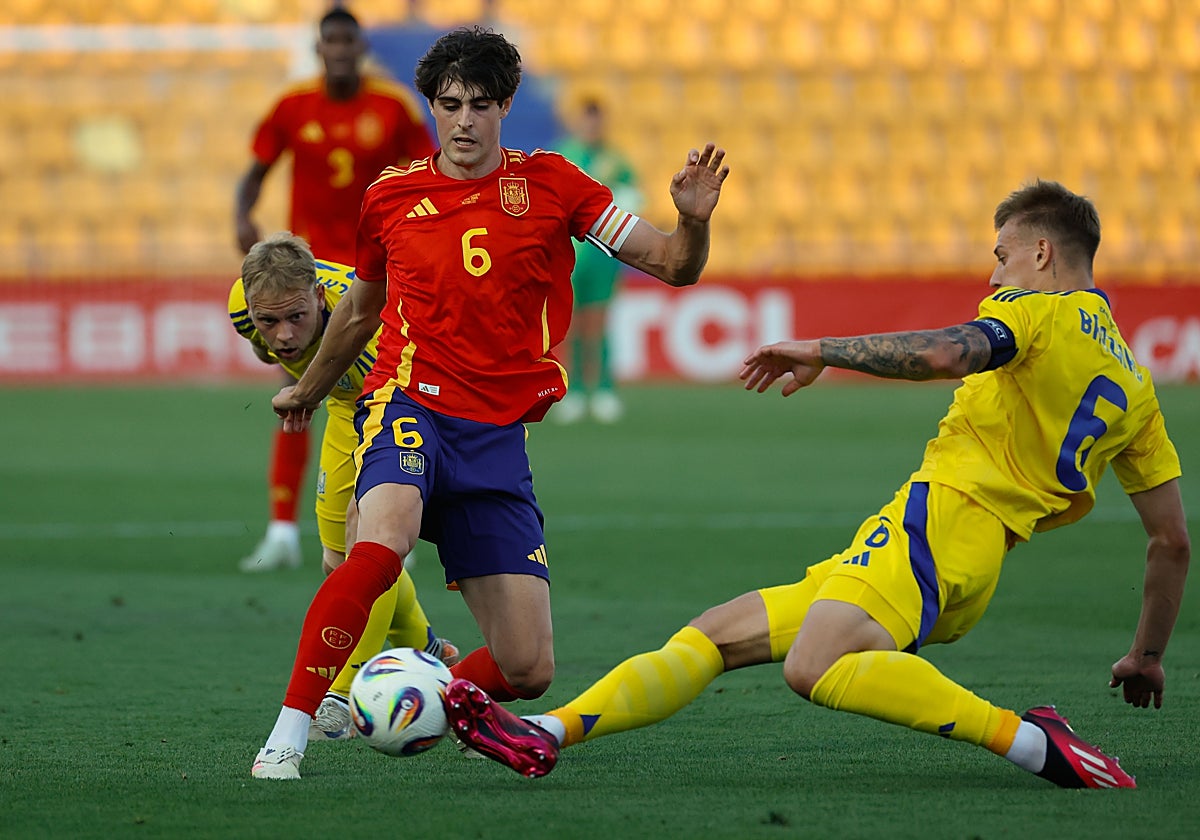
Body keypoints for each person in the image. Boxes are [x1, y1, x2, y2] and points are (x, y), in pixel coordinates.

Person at [443, 180, 1190, 789]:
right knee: (716, 632)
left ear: (1041, 250)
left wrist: (825, 348)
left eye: (1001, 256)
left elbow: (952, 352)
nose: (992, 275)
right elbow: (1170, 541)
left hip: (942, 522)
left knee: (813, 666)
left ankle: (1034, 745)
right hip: (969, 552)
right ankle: (546, 730)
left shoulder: (1035, 312)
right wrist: (1146, 655)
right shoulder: (1136, 383)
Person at [249, 25, 729, 780]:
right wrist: (308, 389)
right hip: (409, 405)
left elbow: (672, 264)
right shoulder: (390, 197)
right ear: (432, 108)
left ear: (505, 104)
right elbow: (361, 309)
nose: (464, 120)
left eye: (479, 104)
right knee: (381, 547)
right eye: (448, 104)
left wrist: (694, 220)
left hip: (497, 434)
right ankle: (290, 731)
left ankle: (430, 691)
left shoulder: (556, 185)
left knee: (528, 665)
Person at [231, 232, 458, 742]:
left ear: (319, 297)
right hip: (341, 407)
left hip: (403, 406)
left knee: (368, 546)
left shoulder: (368, 324)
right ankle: (431, 649)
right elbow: (277, 355)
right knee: (338, 564)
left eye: (296, 317)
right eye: (269, 321)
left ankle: (342, 691)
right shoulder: (243, 311)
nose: (283, 334)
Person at [233, 7, 436, 573]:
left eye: (349, 41)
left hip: (372, 278)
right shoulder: (294, 107)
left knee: (383, 395)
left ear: (360, 46)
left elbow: (427, 173)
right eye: (331, 41)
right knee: (298, 392)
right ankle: (280, 529)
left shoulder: (391, 108)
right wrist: (242, 216)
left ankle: (387, 520)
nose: (340, 50)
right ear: (320, 48)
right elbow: (254, 171)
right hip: (306, 281)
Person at [553, 97, 642, 424]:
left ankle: (603, 389)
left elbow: (634, 199)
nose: (592, 127)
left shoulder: (616, 160)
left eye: (596, 120)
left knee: (599, 323)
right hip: (570, 256)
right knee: (571, 325)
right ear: (578, 122)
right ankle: (573, 391)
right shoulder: (564, 156)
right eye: (587, 120)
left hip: (604, 255)